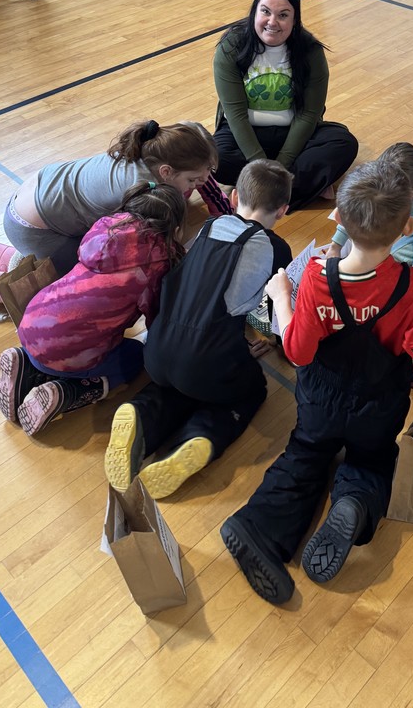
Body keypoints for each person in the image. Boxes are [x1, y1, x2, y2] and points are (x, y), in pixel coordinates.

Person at [220, 160, 413, 605]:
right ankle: (355, 503)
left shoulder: (318, 279)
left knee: (305, 453)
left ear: (339, 219)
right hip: (378, 404)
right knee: (373, 462)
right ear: (407, 226)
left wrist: (282, 299)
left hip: (320, 400)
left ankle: (260, 527)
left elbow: (297, 352)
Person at [103, 159, 293, 500]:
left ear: (234, 199)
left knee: (179, 385)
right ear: (282, 210)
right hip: (208, 360)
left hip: (158, 351)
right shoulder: (277, 249)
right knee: (250, 389)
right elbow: (268, 309)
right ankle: (200, 436)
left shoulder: (209, 227)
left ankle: (141, 414)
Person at [0, 119, 230, 310]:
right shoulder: (140, 192)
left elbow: (203, 177)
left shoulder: (164, 146)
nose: (198, 185)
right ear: (166, 173)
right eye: (193, 181)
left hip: (32, 199)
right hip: (36, 228)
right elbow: (136, 254)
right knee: (82, 288)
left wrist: (227, 215)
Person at [0, 182, 186, 437]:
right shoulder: (156, 263)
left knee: (62, 343)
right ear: (175, 228)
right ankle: (75, 391)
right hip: (69, 350)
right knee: (135, 356)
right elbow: (157, 320)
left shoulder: (105, 228)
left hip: (31, 323)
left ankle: (28, 365)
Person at [212, 0, 358, 210]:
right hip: (244, 132)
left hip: (294, 133)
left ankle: (258, 190)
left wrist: (279, 165)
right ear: (255, 11)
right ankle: (295, 188)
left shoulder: (310, 50)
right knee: (215, 157)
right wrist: (262, 163)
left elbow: (309, 114)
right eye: (265, 11)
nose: (272, 22)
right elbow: (235, 113)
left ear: (294, 18)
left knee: (344, 143)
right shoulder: (231, 45)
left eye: (283, 15)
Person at [327, 143, 413, 276]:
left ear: (411, 195)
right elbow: (357, 204)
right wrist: (335, 245)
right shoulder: (411, 172)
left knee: (387, 259)